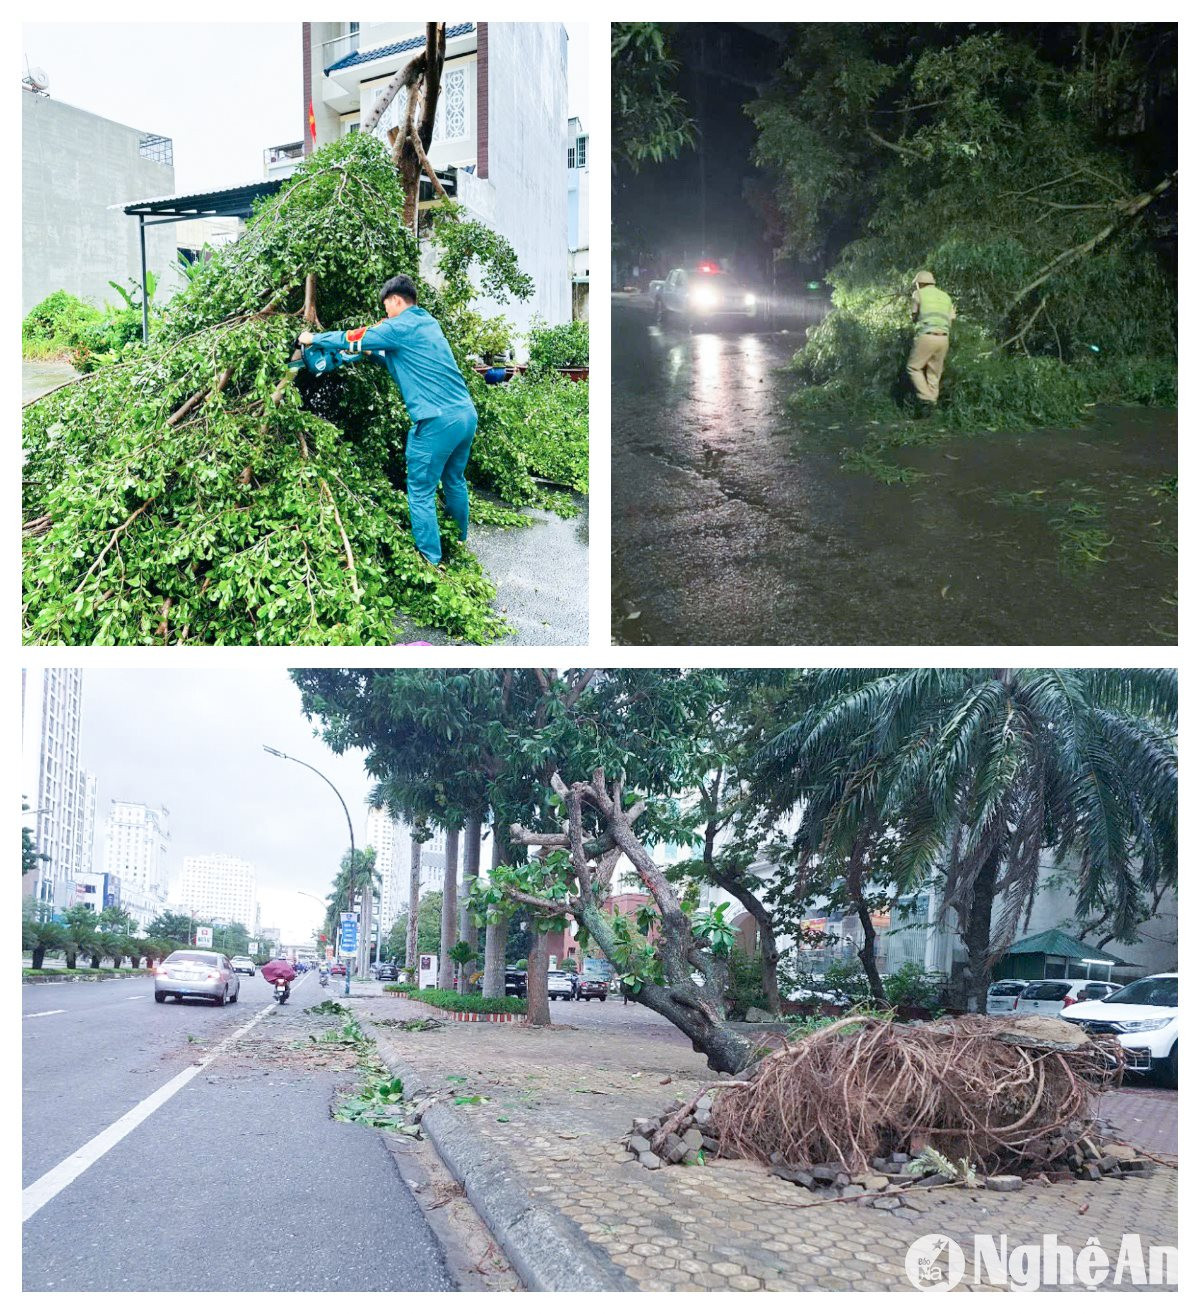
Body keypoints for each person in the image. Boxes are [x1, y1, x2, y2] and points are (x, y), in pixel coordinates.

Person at [299, 274, 478, 568]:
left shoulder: (399, 326)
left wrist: (314, 338)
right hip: (465, 415)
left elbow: (352, 337)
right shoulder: (428, 324)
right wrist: (371, 354)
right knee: (454, 479)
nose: (385, 314)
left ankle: (430, 561)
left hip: (436, 421)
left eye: (386, 307)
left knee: (420, 490)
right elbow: (400, 358)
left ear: (396, 300)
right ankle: (458, 540)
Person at [906, 271, 956, 411]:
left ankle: (926, 399)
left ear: (920, 283)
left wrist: (916, 318)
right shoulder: (946, 296)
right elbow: (951, 319)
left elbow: (914, 317)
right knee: (934, 374)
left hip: (927, 336)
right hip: (943, 338)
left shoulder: (918, 294)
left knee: (913, 367)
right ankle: (931, 408)